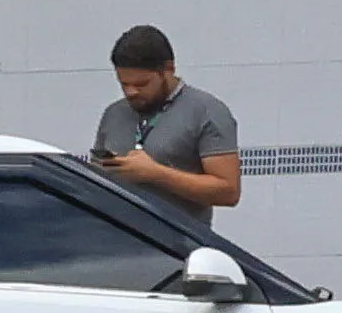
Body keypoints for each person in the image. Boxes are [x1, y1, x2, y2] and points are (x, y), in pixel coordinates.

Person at [93, 24, 244, 215]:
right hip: (119, 238)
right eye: (124, 84)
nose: (131, 92)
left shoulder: (207, 112)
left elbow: (229, 192)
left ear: (168, 70)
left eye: (142, 84)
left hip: (177, 242)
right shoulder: (114, 113)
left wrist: (156, 174)